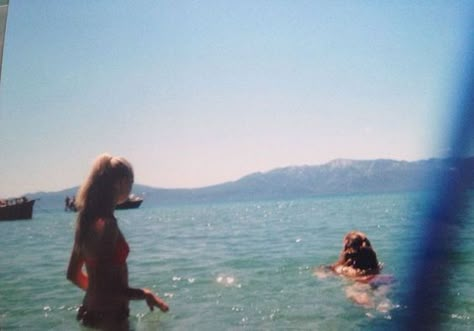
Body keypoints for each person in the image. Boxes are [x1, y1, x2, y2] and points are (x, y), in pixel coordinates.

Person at [67, 154, 169, 330]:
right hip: (111, 319)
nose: (131, 187)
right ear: (120, 183)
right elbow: (110, 289)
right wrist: (145, 294)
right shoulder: (108, 225)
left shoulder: (85, 221)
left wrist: (95, 294)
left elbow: (73, 274)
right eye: (131, 182)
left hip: (91, 314)